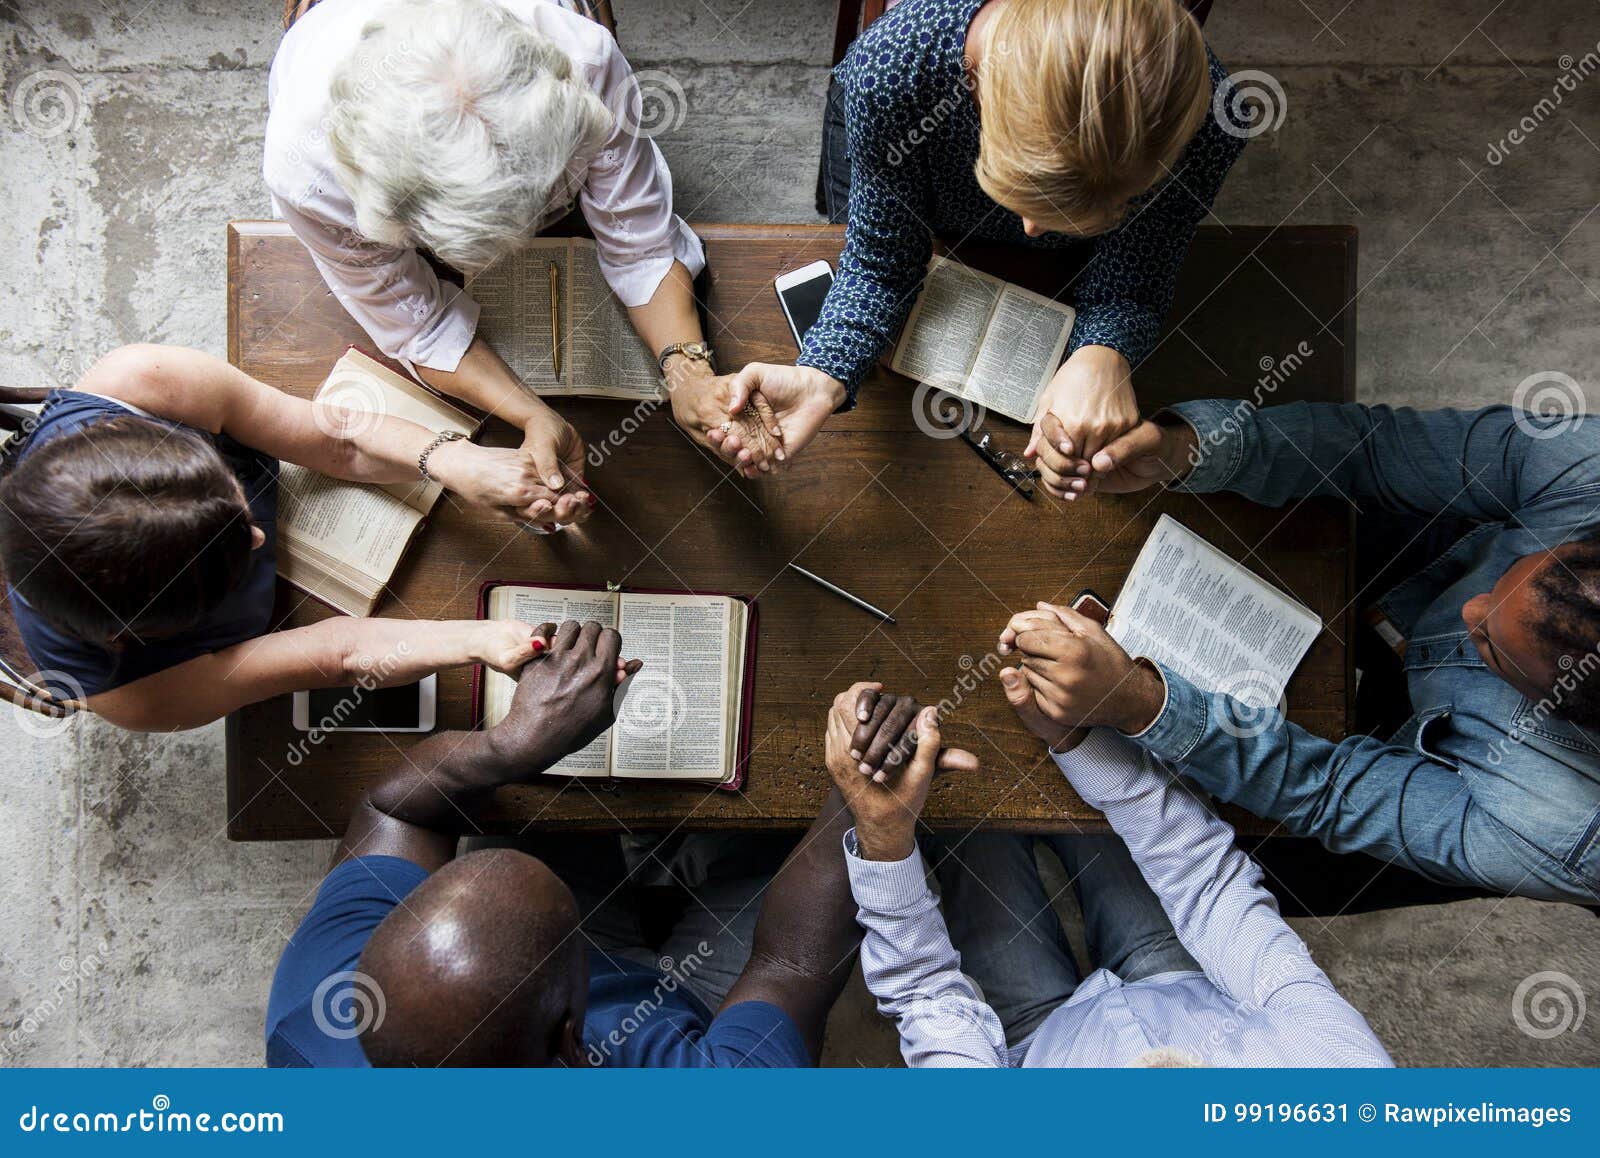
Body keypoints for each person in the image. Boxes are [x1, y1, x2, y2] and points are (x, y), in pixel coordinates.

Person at [1005, 398, 1600, 906]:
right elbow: (1374, 447)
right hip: (1427, 563)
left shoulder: (1562, 830)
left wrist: (1140, 703)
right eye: (1511, 575)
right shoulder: (1589, 473)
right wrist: (1187, 447)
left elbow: (1330, 792)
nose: (1472, 610)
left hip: (1467, 783)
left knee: (1249, 871)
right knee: (1254, 514)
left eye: (1492, 643)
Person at [266, 625, 884, 1067]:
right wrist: (863, 790)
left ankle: (649, 860)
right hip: (698, 1014)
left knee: (529, 805)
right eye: (572, 931)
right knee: (779, 849)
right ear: (573, 1044)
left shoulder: (318, 1020)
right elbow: (790, 968)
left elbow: (391, 810)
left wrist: (511, 746)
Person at [712, 0, 1244, 488]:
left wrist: (1104, 353)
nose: (1035, 231)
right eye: (1025, 191)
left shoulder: (1211, 121)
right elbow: (881, 263)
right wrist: (822, 373)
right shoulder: (893, 70)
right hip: (909, 159)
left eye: (1106, 204)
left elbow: (1137, 270)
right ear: (982, 95)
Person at [266, 0, 759, 487]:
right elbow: (421, 326)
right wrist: (531, 415)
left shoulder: (584, 55)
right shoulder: (306, 178)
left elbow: (642, 244)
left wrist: (688, 371)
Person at [831, 675, 1392, 1066]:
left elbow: (926, 995)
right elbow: (1208, 885)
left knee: (962, 807)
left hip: (1035, 1039)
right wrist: (1077, 738)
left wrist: (885, 831)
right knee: (1080, 776)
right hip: (1181, 980)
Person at [0, 345, 554, 731]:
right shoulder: (135, 696)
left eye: (237, 509)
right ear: (138, 632)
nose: (260, 536)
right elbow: (341, 655)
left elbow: (335, 440)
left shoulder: (141, 383)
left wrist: (452, 458)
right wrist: (483, 640)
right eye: (234, 557)